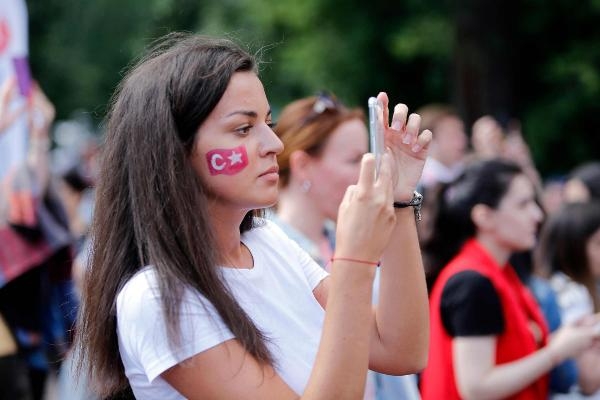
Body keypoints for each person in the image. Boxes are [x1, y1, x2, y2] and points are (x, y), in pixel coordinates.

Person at [74, 33, 432, 399]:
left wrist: (399, 199)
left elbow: (400, 349)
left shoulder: (268, 241)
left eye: (268, 124)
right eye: (243, 129)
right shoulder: (159, 298)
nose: (274, 145)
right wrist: (355, 261)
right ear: (174, 153)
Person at [273, 92, 422, 400]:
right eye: (355, 160)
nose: (367, 171)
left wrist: (401, 198)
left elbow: (407, 349)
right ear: (302, 165)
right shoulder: (275, 253)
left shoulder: (351, 235)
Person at [420, 158, 599, 400]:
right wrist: (555, 352)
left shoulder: (495, 272)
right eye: (523, 205)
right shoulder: (473, 281)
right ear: (484, 217)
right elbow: (476, 387)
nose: (537, 215)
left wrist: (564, 338)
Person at [536, 201, 600, 397]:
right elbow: (589, 377)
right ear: (573, 248)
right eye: (599, 244)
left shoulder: (549, 286)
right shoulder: (572, 295)